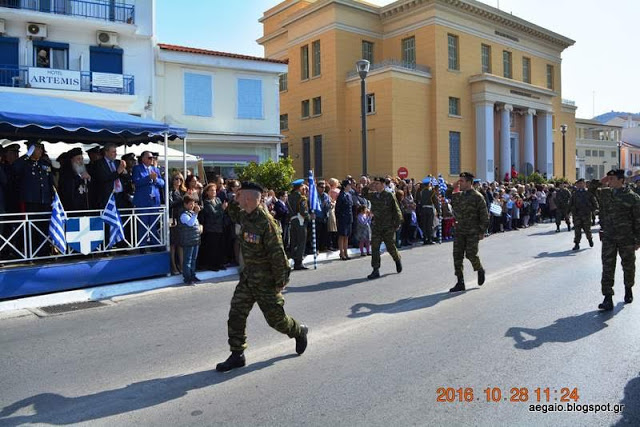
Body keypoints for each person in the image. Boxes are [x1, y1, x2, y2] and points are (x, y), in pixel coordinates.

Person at [215, 181, 308, 372]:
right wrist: (235, 196)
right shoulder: (244, 214)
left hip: (266, 282)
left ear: (248, 199)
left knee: (276, 321)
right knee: (236, 314)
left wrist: (281, 281)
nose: (237, 198)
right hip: (248, 279)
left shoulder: (266, 223)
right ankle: (237, 354)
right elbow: (231, 211)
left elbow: (278, 255)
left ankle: (299, 331)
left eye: (240, 196)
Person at [596, 169, 640, 311]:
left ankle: (628, 288)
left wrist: (638, 239)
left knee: (628, 265)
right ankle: (607, 297)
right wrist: (602, 181)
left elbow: (638, 220)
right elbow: (589, 189)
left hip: (626, 238)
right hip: (609, 237)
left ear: (622, 180)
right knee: (607, 267)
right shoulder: (605, 193)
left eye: (613, 179)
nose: (610, 181)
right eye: (609, 179)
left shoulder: (632, 197)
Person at [449, 172, 489, 292]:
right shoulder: (459, 195)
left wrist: (482, 231)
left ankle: (479, 269)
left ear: (468, 182)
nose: (460, 183)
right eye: (459, 181)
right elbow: (450, 199)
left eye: (462, 181)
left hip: (473, 231)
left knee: (471, 254)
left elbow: (484, 216)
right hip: (459, 230)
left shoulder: (478, 197)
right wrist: (454, 187)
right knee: (457, 256)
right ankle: (460, 282)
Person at [364, 177, 403, 279]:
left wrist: (398, 222)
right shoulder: (373, 195)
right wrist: (369, 185)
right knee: (375, 247)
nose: (376, 186)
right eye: (375, 184)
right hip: (377, 225)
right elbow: (363, 193)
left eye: (377, 184)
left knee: (390, 246)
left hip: (388, 226)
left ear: (382, 184)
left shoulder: (389, 195)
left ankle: (397, 259)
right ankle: (375, 269)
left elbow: (396, 209)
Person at [132, 151, 165, 246]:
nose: (152, 159)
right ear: (143, 159)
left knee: (154, 224)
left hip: (154, 202)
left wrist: (155, 179)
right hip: (143, 201)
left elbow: (162, 183)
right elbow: (136, 182)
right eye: (149, 158)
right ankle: (142, 245)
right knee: (143, 224)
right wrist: (148, 178)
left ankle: (154, 244)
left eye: (152, 158)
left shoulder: (155, 169)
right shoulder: (137, 168)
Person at [198, 183, 227, 271]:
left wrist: (221, 210)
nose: (214, 192)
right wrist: (222, 209)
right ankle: (211, 265)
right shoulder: (206, 202)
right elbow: (213, 214)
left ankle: (219, 263)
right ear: (207, 192)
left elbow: (220, 214)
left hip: (219, 227)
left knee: (219, 246)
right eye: (211, 190)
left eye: (214, 190)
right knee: (212, 247)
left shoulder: (218, 199)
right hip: (211, 228)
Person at [92, 143, 126, 210]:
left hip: (120, 195)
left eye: (116, 152)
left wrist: (125, 173)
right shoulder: (99, 164)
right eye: (113, 152)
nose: (115, 154)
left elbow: (125, 177)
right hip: (107, 197)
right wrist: (117, 172)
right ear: (106, 152)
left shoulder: (118, 162)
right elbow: (103, 178)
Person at [177, 194, 202, 285]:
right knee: (188, 259)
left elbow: (195, 224)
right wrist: (196, 213)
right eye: (190, 204)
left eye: (193, 203)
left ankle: (192, 275)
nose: (192, 206)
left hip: (195, 239)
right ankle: (187, 278)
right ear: (185, 204)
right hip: (188, 240)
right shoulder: (183, 214)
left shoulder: (192, 213)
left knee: (194, 259)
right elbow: (190, 223)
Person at [569, 178, 598, 251]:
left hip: (586, 215)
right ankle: (577, 244)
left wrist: (593, 209)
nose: (580, 185)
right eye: (579, 184)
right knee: (577, 230)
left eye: (582, 183)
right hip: (577, 215)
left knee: (587, 230)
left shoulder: (588, 193)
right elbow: (570, 203)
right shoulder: (574, 194)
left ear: (584, 184)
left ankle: (590, 239)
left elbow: (595, 203)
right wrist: (568, 212)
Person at [287, 179, 310, 270]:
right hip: (300, 220)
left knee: (294, 241)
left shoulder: (289, 197)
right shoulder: (301, 198)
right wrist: (309, 216)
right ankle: (299, 262)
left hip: (292, 220)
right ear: (300, 187)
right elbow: (303, 211)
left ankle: (295, 258)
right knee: (301, 241)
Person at [60, 147, 91, 211]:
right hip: (72, 209)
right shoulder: (66, 174)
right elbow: (68, 192)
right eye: (78, 159)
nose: (81, 162)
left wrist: (89, 179)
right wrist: (79, 178)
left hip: (85, 208)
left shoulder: (86, 172)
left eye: (82, 159)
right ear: (71, 161)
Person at [169, 172, 186, 275]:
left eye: (180, 179)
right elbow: (170, 204)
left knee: (180, 244)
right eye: (176, 179)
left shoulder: (183, 191)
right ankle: (173, 266)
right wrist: (181, 200)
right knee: (173, 244)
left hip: (182, 219)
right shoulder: (170, 191)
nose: (178, 181)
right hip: (173, 219)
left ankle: (181, 265)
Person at [335, 179, 353, 260]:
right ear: (345, 186)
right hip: (342, 218)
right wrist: (339, 218)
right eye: (348, 185)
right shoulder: (341, 196)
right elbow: (337, 209)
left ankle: (346, 252)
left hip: (348, 218)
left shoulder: (349, 195)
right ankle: (341, 253)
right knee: (342, 235)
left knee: (347, 236)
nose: (350, 186)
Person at [418, 178, 438, 245]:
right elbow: (435, 201)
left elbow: (419, 201)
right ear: (429, 184)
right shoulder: (432, 191)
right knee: (430, 225)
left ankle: (425, 239)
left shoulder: (421, 192)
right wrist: (439, 210)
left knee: (424, 225)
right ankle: (430, 239)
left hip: (423, 209)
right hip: (429, 209)